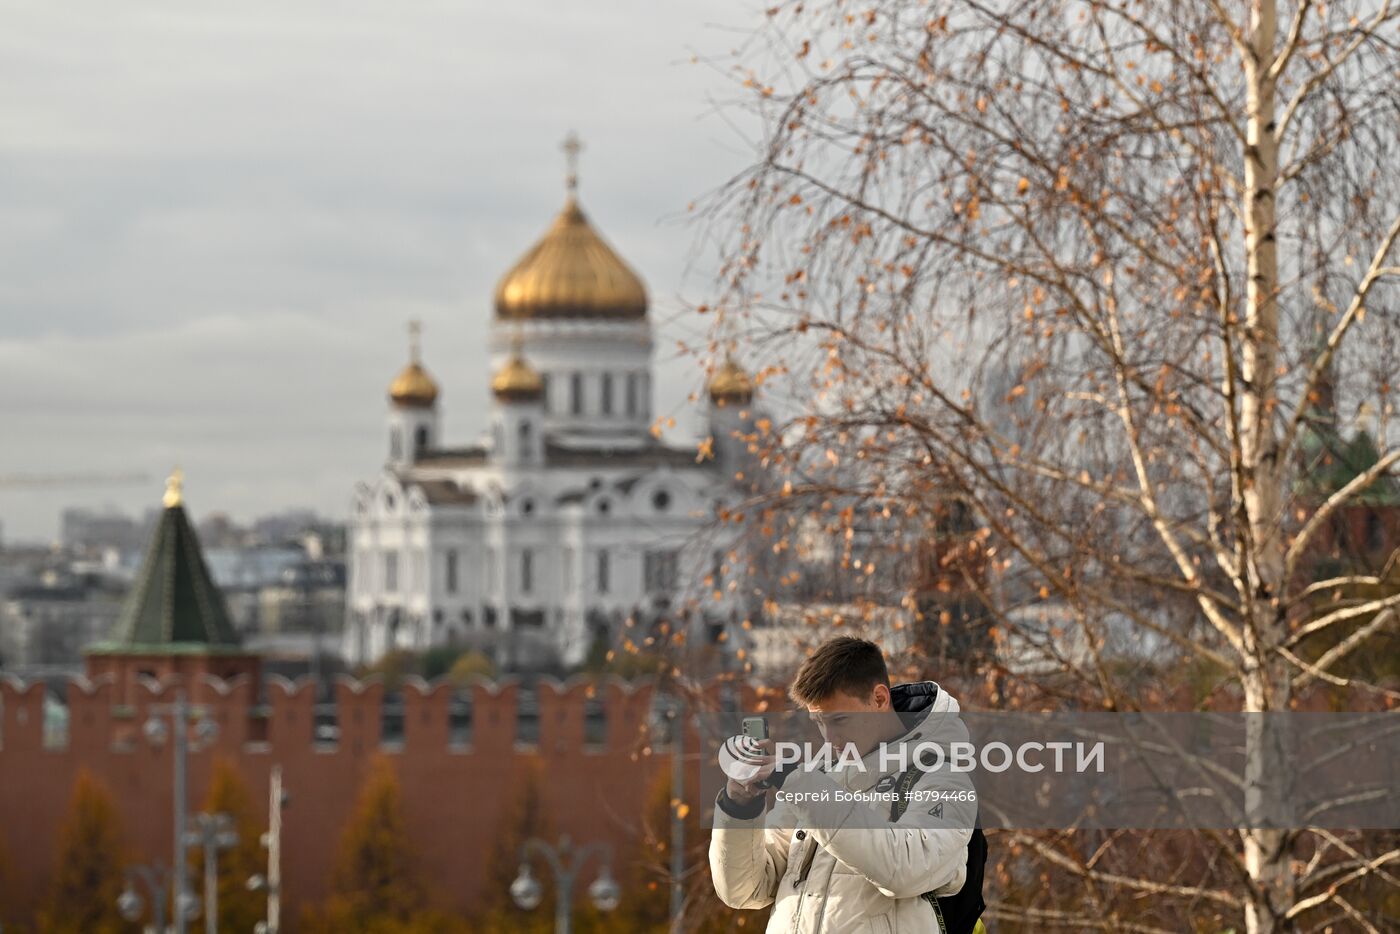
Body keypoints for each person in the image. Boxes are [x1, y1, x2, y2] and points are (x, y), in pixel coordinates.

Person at [709, 636, 987, 933]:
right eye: (819, 722)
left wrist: (798, 782)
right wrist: (740, 806)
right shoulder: (815, 779)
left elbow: (905, 868)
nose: (829, 739)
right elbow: (745, 890)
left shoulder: (945, 779)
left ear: (879, 699)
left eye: (839, 720)